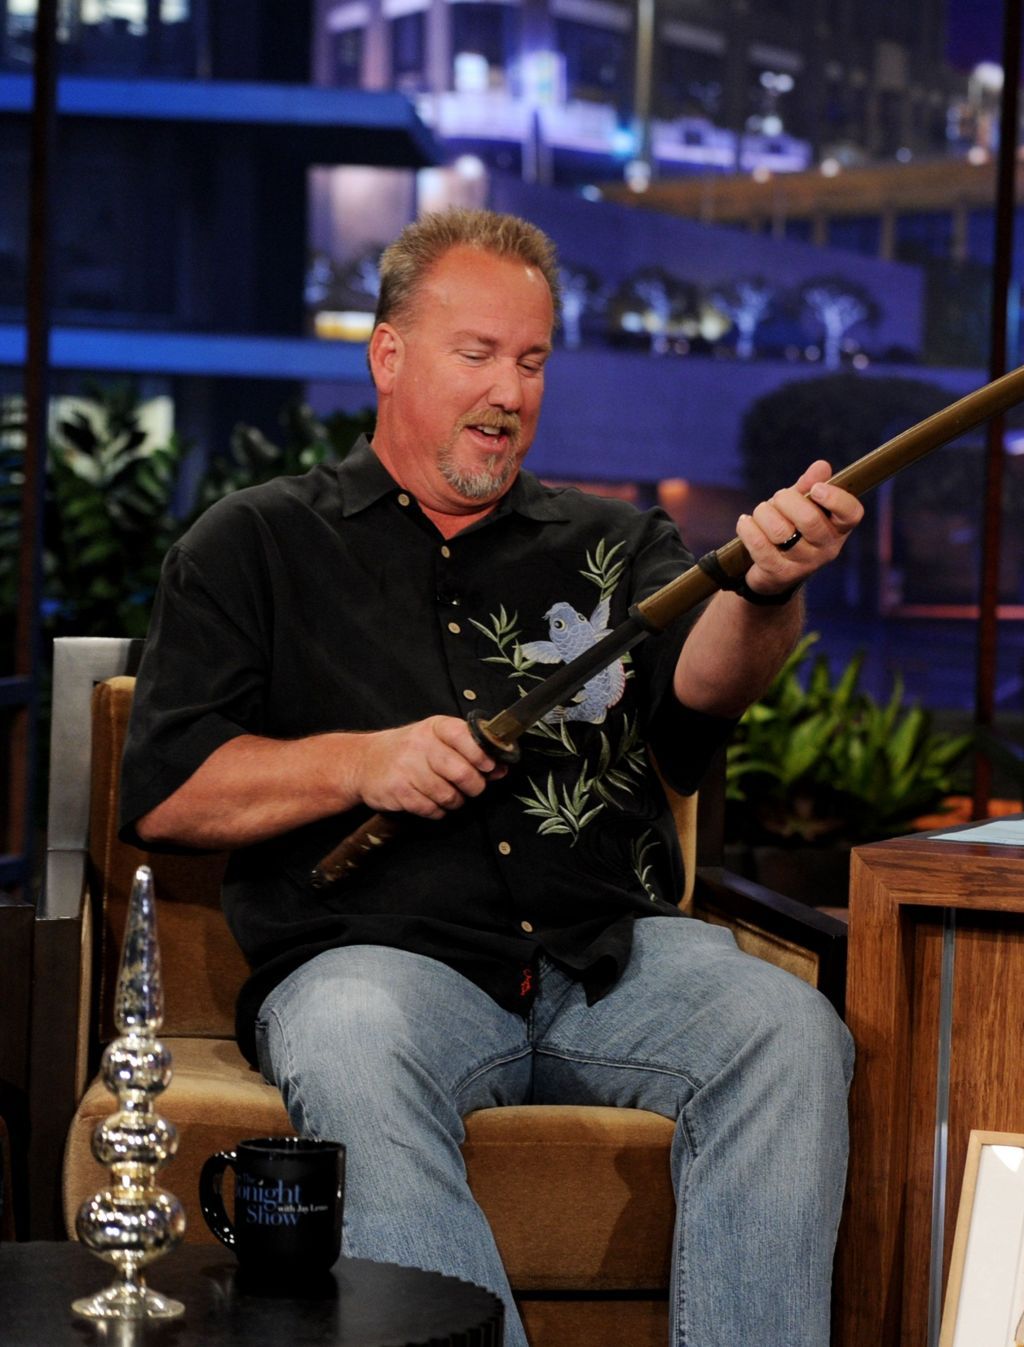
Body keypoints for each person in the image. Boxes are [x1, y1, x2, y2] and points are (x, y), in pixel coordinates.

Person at [120, 209, 862, 1347]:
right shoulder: (251, 544)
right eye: (476, 353)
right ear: (389, 355)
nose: (509, 390)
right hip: (377, 964)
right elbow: (171, 791)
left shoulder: (615, 543)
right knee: (353, 1038)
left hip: (609, 956)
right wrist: (364, 762)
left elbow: (706, 691)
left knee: (789, 1029)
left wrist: (762, 588)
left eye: (530, 361)